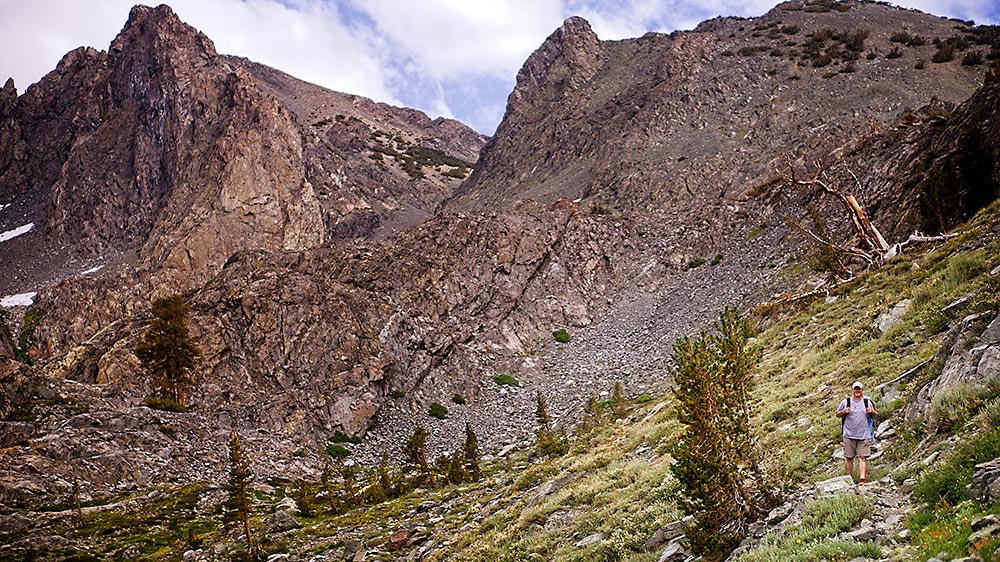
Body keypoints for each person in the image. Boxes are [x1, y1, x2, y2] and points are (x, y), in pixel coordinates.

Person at [835, 380, 877, 484]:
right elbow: (837, 414)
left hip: (863, 434)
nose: (857, 391)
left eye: (859, 389)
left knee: (862, 457)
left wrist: (872, 412)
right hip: (849, 434)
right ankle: (848, 479)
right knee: (849, 458)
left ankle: (862, 479)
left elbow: (875, 415)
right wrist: (843, 412)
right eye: (856, 389)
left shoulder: (867, 402)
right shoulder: (846, 402)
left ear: (862, 390)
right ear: (852, 390)